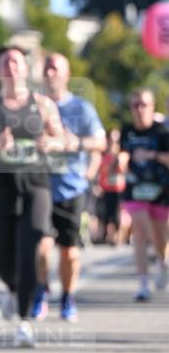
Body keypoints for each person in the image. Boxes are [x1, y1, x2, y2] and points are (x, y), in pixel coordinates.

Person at [0, 45, 64, 348]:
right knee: (4, 258)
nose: (11, 67)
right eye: (5, 62)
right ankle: (10, 288)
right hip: (1, 187)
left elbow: (62, 139)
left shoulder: (43, 104)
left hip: (37, 185)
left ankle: (24, 320)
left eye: (16, 62)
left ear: (25, 68)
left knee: (30, 249)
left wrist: (50, 143)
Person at [31, 53, 106, 322]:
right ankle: (41, 291)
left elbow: (100, 142)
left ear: (66, 74)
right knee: (40, 245)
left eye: (55, 68)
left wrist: (76, 143)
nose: (50, 73)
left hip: (71, 188)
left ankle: (68, 296)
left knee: (69, 251)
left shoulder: (82, 108)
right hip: (40, 186)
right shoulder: (33, 106)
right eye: (47, 68)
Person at [118, 89, 169, 301]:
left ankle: (162, 261)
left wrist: (152, 155)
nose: (139, 109)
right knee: (139, 230)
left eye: (144, 104)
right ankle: (143, 283)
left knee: (160, 236)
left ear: (153, 106)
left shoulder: (162, 132)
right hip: (135, 187)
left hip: (160, 188)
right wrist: (120, 161)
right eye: (135, 105)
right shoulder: (127, 131)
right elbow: (122, 152)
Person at [97, 129, 126, 246]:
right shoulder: (103, 155)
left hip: (118, 189)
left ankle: (116, 237)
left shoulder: (122, 154)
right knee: (104, 213)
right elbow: (100, 170)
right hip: (105, 188)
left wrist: (118, 159)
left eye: (116, 140)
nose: (113, 142)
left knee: (117, 214)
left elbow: (123, 169)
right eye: (111, 139)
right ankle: (104, 235)